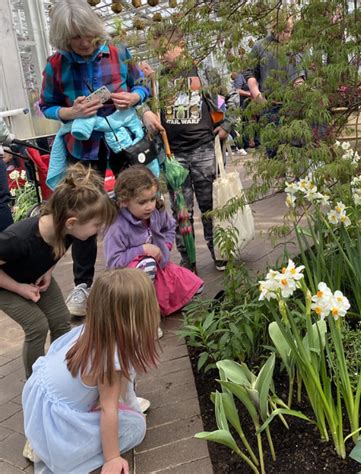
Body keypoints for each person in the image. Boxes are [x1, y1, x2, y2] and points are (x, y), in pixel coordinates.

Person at [40, 0, 149, 316]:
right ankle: (83, 287)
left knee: (134, 200)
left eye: (88, 35)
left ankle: (140, 268)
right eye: (76, 38)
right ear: (64, 38)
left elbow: (143, 86)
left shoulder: (117, 52)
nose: (85, 43)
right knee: (82, 213)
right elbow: (45, 105)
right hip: (83, 146)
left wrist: (135, 96)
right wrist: (69, 112)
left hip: (122, 140)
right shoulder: (56, 65)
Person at [22, 268, 159, 474]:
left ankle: (41, 438)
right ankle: (53, 447)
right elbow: (107, 408)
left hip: (40, 403)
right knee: (136, 427)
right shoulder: (110, 357)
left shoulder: (91, 330)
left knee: (116, 405)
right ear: (136, 316)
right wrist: (112, 458)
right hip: (58, 423)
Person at [0, 164, 116, 379]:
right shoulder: (18, 239)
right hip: (6, 284)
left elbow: (55, 251)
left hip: (35, 276)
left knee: (60, 319)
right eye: (96, 225)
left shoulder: (68, 230)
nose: (98, 231)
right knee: (37, 326)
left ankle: (59, 373)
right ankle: (36, 382)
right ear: (72, 222)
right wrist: (19, 288)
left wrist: (48, 271)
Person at [141, 25, 239, 271]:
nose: (162, 55)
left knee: (211, 207)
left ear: (181, 45)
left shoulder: (203, 73)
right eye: (158, 51)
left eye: (166, 49)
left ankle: (219, 252)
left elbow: (229, 97)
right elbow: (145, 107)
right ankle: (189, 260)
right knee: (181, 211)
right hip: (174, 156)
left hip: (205, 149)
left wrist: (227, 124)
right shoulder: (158, 81)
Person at [104, 165, 203, 321]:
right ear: (124, 201)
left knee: (196, 286)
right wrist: (142, 249)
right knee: (148, 264)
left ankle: (159, 306)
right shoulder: (117, 227)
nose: (149, 205)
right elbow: (114, 263)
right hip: (129, 279)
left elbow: (170, 227)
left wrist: (165, 247)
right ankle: (144, 317)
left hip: (160, 268)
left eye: (152, 198)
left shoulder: (156, 211)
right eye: (142, 202)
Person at [243, 10, 306, 158]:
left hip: (293, 104)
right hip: (270, 105)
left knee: (297, 147)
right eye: (285, 31)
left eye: (291, 31)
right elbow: (249, 72)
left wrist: (301, 86)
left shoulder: (294, 47)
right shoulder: (260, 47)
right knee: (273, 149)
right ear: (275, 28)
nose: (289, 35)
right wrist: (256, 93)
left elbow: (300, 73)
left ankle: (297, 180)